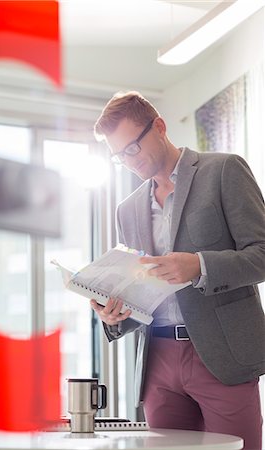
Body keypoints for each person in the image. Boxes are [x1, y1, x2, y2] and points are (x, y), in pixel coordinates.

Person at [90, 91, 265, 450]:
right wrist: (115, 315)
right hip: (157, 362)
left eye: (132, 149)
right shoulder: (127, 209)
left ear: (159, 127)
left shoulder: (224, 169)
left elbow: (262, 253)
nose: (128, 161)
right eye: (118, 156)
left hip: (221, 354)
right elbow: (137, 287)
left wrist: (198, 265)